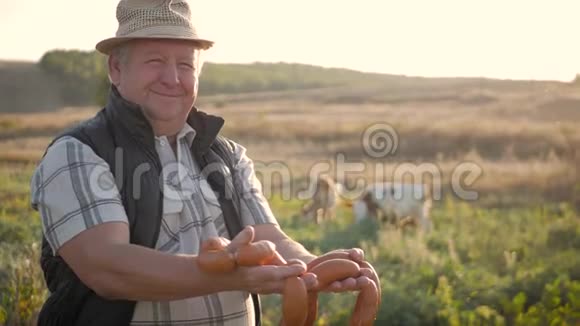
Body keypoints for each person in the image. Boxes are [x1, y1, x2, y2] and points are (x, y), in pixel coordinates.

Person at [30, 0, 380, 325]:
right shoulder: (79, 152)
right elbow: (109, 269)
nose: (173, 78)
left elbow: (270, 237)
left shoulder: (226, 154)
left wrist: (313, 266)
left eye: (185, 64)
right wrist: (228, 276)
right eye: (155, 61)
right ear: (116, 68)